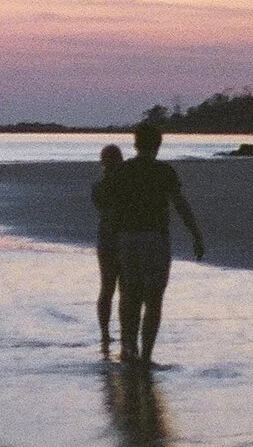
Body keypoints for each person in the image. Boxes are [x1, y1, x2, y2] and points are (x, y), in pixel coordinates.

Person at [100, 123, 206, 368]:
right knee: (154, 299)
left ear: (136, 144)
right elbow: (179, 203)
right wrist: (195, 233)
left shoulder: (123, 171)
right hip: (155, 239)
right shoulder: (164, 171)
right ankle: (146, 356)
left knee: (130, 296)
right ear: (157, 145)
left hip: (127, 239)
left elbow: (105, 200)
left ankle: (129, 349)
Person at [88, 144, 124, 351]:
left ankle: (105, 333)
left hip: (106, 237)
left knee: (107, 287)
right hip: (122, 236)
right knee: (124, 289)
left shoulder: (98, 186)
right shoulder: (125, 184)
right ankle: (123, 334)